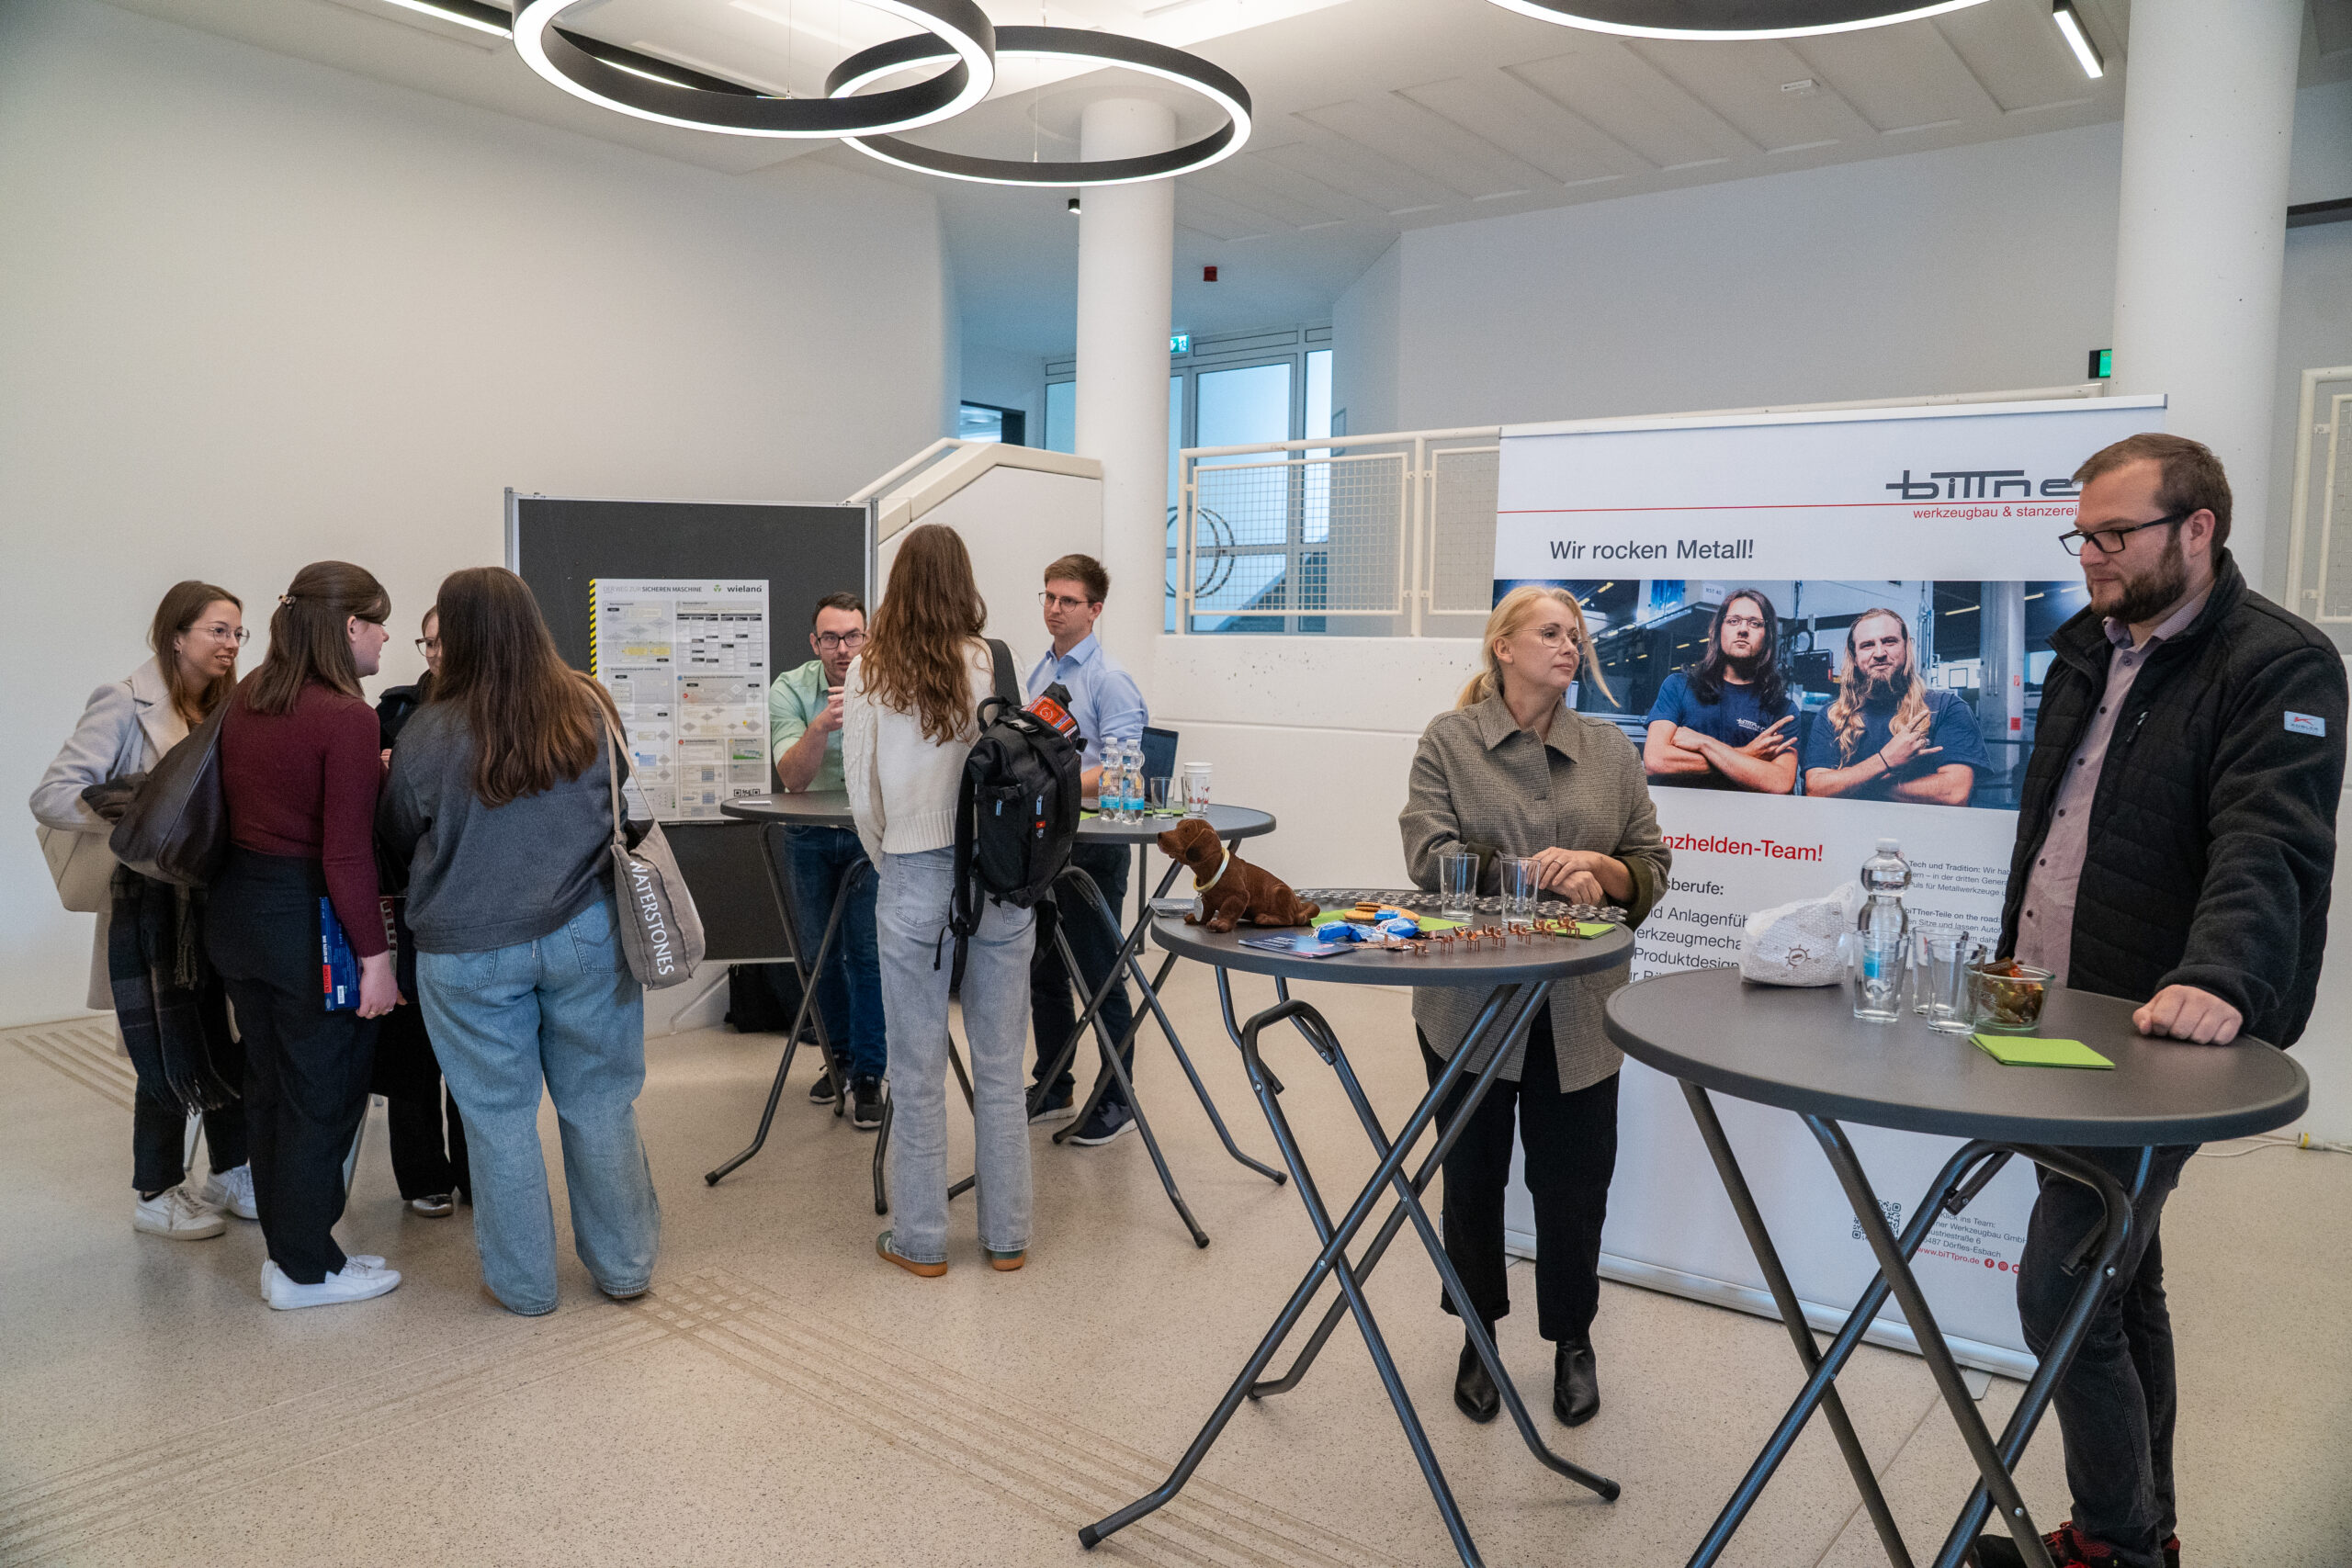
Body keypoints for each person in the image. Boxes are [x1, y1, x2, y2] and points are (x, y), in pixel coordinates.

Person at [1972, 434, 2346, 1568]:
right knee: (2117, 1287)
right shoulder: (2085, 648)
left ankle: (2120, 1546)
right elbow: (2056, 831)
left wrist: (2220, 976)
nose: (2089, 556)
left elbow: (2267, 838)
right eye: (2080, 533)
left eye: (2113, 534)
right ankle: (2141, 1533)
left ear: (2198, 530)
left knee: (2058, 1292)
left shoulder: (2279, 663)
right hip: (2046, 1016)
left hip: (2150, 1039)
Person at [1399, 584, 1670, 1429]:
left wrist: (1602, 871)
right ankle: (1476, 1332)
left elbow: (1648, 864)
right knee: (1473, 1178)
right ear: (1504, 647)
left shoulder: (1610, 750)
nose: (1570, 645)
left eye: (1576, 635)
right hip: (1470, 1002)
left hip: (1582, 1010)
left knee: (1574, 1183)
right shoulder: (1450, 740)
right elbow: (1427, 854)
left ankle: (1572, 1340)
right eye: (1552, 632)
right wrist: (1537, 876)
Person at [379, 567, 662, 1316]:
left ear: (459, 634)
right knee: (600, 1102)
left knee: (497, 1116)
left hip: (466, 951)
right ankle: (626, 1266)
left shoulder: (428, 731)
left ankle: (525, 1286)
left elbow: (397, 830)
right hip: (585, 935)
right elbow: (628, 804)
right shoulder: (589, 706)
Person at [31, 581, 255, 1240]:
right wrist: (142, 814)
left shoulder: (230, 707)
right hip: (150, 909)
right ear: (176, 634)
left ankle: (231, 1167)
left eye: (239, 633)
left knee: (226, 1039)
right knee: (163, 1046)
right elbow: (53, 794)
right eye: (218, 630)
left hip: (213, 902)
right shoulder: (123, 703)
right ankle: (155, 1190)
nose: (231, 644)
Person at [843, 524, 1035, 1277]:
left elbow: (864, 794)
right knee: (999, 1064)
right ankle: (1008, 1236)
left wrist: (892, 858)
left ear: (898, 583)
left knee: (917, 1066)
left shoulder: (871, 669)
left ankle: (921, 1242)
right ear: (964, 580)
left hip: (916, 871)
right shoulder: (992, 661)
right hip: (998, 875)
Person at [209, 561, 401, 1310]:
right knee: (325, 1094)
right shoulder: (348, 717)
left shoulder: (250, 694)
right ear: (348, 626)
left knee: (270, 1090)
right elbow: (345, 854)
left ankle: (295, 1252)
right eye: (379, 620)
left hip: (238, 915)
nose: (387, 634)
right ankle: (305, 1271)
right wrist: (376, 961)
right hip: (308, 922)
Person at [1024, 554, 1149, 1145]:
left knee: (1100, 975)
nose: (1054, 608)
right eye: (1049, 597)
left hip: (1093, 850)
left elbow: (1126, 775)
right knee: (1043, 968)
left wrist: (1055, 784)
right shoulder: (1037, 672)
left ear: (1095, 610)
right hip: (1045, 843)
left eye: (1067, 600)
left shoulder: (1109, 679)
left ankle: (1117, 1100)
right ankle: (1053, 1084)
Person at [767, 591, 887, 1129]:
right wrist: (820, 726)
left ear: (868, 637)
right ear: (815, 643)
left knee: (866, 954)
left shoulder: (889, 685)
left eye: (854, 636)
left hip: (868, 836)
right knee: (819, 955)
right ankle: (837, 1059)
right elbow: (792, 778)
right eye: (832, 638)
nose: (844, 649)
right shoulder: (790, 690)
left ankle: (869, 1076)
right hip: (809, 836)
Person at [375, 606, 469, 1218]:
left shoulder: (502, 709)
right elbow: (386, 815)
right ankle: (421, 1175)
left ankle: (477, 1173)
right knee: (410, 1050)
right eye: (427, 642)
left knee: (472, 1055)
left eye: (445, 641)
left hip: (471, 906)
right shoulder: (396, 710)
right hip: (408, 897)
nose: (434, 653)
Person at [1798, 607, 1991, 805]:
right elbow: (1817, 790)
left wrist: (1852, 782)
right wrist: (1885, 760)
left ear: (1906, 647)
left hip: (1923, 834)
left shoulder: (1948, 708)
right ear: (1854, 658)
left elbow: (1954, 793)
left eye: (1889, 641)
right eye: (1867, 645)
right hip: (1851, 832)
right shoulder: (1831, 716)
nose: (1880, 653)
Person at [1641, 589, 1798, 793]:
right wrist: (1747, 754)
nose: (1743, 629)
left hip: (1745, 820)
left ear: (1768, 636)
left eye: (1754, 623)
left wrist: (1704, 743)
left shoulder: (1783, 709)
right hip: (1681, 819)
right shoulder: (1678, 686)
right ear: (1719, 630)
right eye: (1733, 621)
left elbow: (1779, 781)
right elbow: (1656, 761)